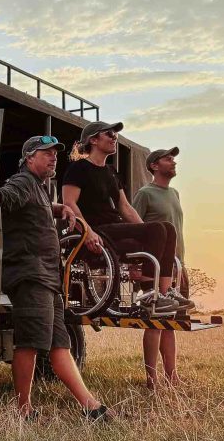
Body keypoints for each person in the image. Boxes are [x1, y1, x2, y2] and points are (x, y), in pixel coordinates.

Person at [0, 135, 110, 421]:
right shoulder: (24, 181)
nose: (53, 157)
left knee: (59, 344)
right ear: (29, 158)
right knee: (29, 343)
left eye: (54, 153)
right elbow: (2, 196)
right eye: (46, 153)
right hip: (29, 276)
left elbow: (35, 205)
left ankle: (90, 406)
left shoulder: (38, 188)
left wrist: (60, 208)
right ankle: (24, 411)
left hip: (47, 276)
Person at [60, 121, 192, 317]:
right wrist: (88, 232)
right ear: (93, 140)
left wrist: (152, 232)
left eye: (115, 134)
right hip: (97, 228)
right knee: (157, 229)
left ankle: (164, 292)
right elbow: (69, 203)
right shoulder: (78, 169)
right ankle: (148, 291)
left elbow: (125, 208)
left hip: (115, 227)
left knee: (167, 229)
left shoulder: (111, 172)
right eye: (109, 134)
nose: (115, 137)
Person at [132, 147, 188, 388]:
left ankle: (172, 376)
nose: (173, 161)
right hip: (151, 267)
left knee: (170, 321)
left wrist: (182, 265)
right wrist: (134, 266)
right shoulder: (145, 193)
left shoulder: (174, 193)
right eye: (167, 158)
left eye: (173, 158)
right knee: (155, 320)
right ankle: (151, 379)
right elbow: (134, 229)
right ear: (155, 166)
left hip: (175, 266)